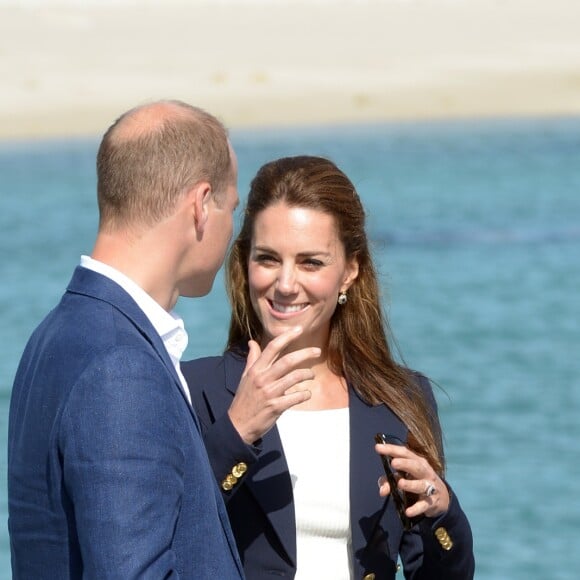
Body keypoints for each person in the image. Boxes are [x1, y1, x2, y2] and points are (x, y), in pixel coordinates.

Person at [7, 100, 320, 578]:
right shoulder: (120, 365)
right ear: (200, 206)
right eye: (230, 209)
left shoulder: (55, 336)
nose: (230, 230)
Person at [182, 155, 475, 579]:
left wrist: (441, 512)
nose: (284, 284)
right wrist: (236, 433)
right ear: (244, 263)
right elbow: (164, 534)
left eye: (310, 262)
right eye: (267, 258)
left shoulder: (403, 399)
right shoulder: (195, 389)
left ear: (350, 271)